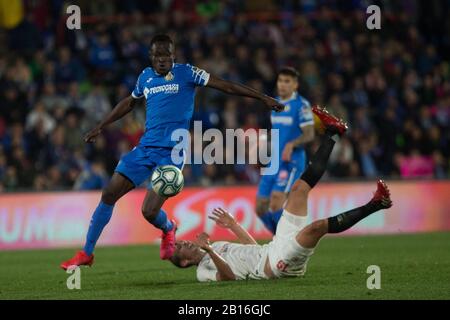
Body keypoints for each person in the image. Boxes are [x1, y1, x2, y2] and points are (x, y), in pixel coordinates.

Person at [60, 34, 284, 270]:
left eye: (167, 55)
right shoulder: (145, 77)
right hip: (146, 148)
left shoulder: (188, 73)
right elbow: (129, 102)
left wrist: (262, 98)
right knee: (108, 194)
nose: (163, 60)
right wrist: (101, 126)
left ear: (173, 55)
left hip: (172, 152)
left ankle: (168, 228)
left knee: (148, 211)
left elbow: (225, 85)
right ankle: (87, 252)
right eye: (158, 55)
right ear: (151, 57)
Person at [168, 106, 393, 281]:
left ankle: (333, 132)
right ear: (186, 262)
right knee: (316, 228)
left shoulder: (215, 247)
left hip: (272, 248)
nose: (184, 242)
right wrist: (209, 250)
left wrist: (234, 225)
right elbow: (227, 277)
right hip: (273, 267)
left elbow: (252, 249)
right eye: (180, 248)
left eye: (179, 242)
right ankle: (376, 204)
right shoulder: (203, 271)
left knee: (298, 190)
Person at [256, 67, 315, 233]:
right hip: (274, 161)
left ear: (295, 85)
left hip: (291, 161)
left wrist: (292, 144)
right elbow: (278, 132)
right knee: (260, 207)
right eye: (280, 80)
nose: (282, 85)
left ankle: (288, 241)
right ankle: (281, 240)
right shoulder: (275, 104)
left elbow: (309, 134)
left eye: (287, 81)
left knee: (276, 203)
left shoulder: (301, 105)